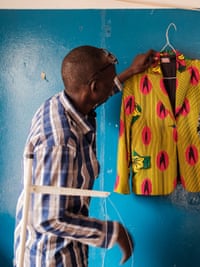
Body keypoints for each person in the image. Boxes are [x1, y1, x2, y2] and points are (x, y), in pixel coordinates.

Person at [13, 45, 156, 266]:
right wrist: (113, 232)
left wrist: (131, 72)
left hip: (57, 248)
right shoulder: (61, 141)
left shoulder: (62, 104)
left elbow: (99, 93)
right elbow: (49, 219)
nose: (114, 81)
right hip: (51, 257)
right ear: (94, 87)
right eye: (111, 79)